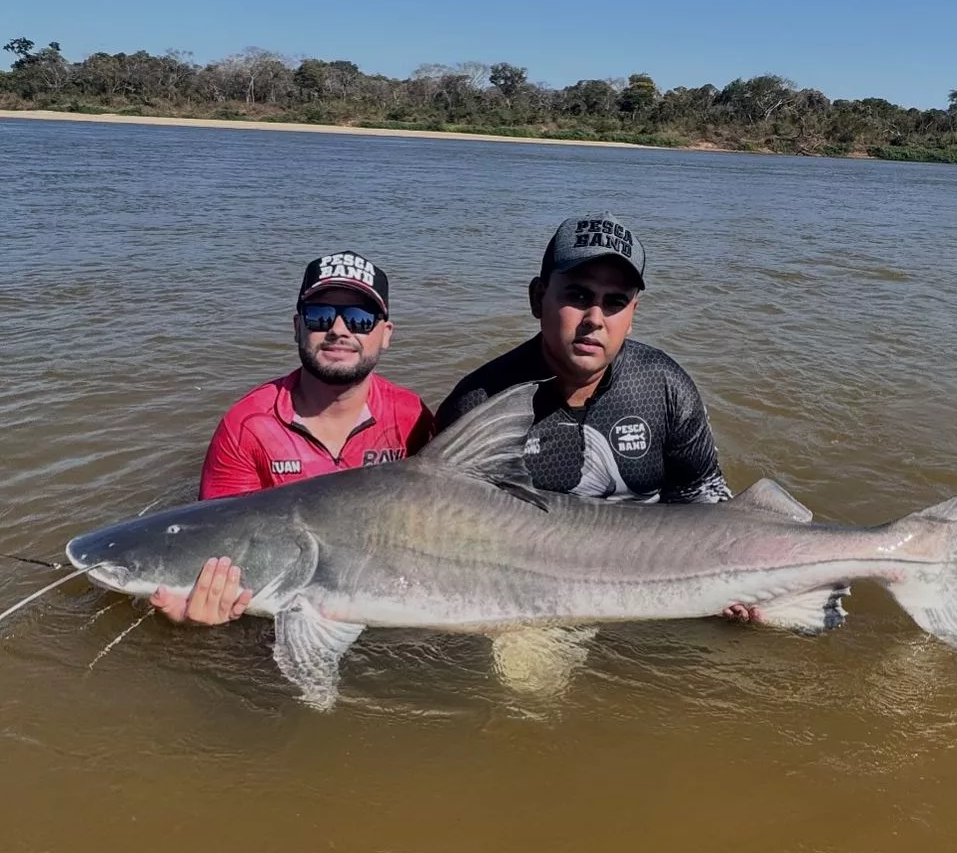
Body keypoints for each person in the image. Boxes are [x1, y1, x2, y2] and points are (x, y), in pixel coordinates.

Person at [435, 212, 758, 622]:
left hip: (661, 578)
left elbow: (702, 490)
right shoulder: (478, 407)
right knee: (527, 683)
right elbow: (453, 538)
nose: (595, 319)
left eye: (615, 302)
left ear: (633, 311)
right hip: (538, 591)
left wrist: (732, 573)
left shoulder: (665, 385)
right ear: (538, 298)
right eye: (579, 295)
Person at [151, 250, 434, 624]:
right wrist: (193, 620)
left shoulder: (412, 417)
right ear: (298, 326)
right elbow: (220, 538)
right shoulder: (247, 426)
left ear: (385, 335)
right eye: (320, 315)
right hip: (287, 604)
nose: (338, 329)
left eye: (360, 319)